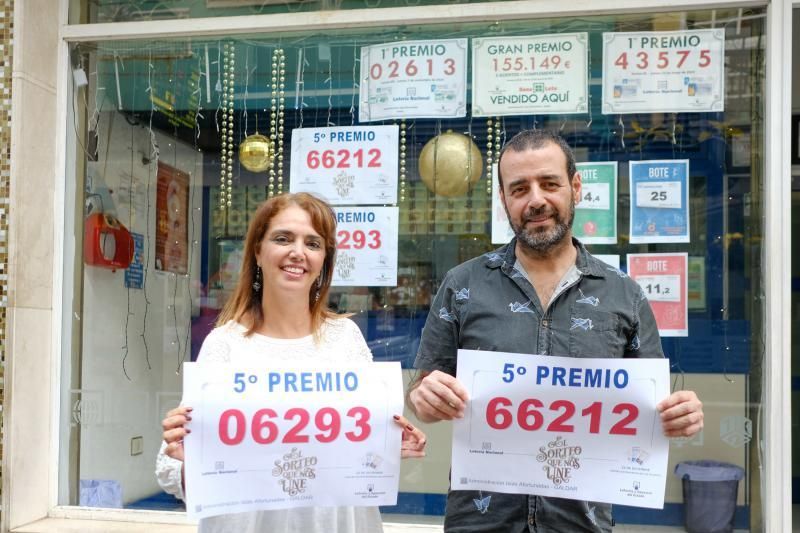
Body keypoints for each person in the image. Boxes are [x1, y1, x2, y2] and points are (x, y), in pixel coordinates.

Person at [407, 129, 704, 533]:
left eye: (549, 184)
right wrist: (425, 399)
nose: (536, 200)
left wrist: (678, 416)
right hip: (481, 521)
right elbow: (423, 390)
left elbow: (651, 407)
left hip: (581, 523)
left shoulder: (625, 295)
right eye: (519, 189)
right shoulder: (462, 285)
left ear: (575, 187)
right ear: (504, 199)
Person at [157, 192, 426, 533]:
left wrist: (388, 444)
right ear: (257, 250)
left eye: (313, 243)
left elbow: (363, 453)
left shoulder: (345, 340)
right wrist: (186, 454)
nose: (298, 252)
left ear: (324, 259)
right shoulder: (225, 346)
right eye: (283, 238)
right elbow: (173, 472)